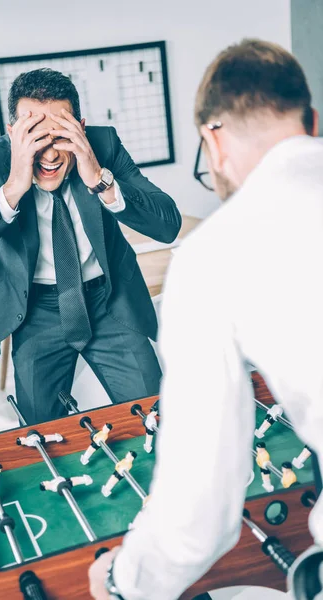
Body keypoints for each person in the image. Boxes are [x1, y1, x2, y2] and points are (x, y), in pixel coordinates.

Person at [89, 38, 323, 600]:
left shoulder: (210, 256)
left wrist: (123, 581)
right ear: (312, 121)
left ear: (212, 141)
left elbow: (198, 519)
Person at [0, 68, 181, 425]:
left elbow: (168, 224)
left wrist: (100, 179)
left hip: (108, 300)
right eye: (35, 137)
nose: (48, 154)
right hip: (34, 311)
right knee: (42, 432)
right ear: (13, 133)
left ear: (79, 126)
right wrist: (14, 186)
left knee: (158, 418)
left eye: (60, 136)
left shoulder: (104, 145)